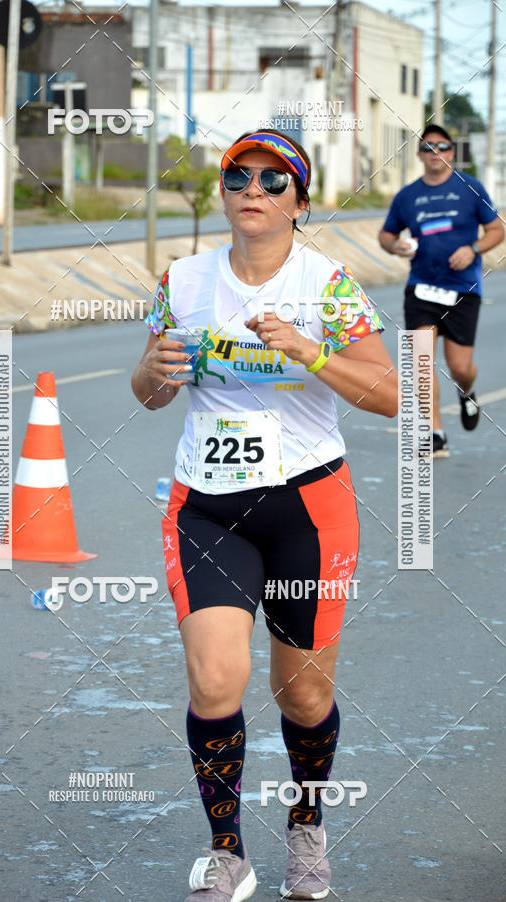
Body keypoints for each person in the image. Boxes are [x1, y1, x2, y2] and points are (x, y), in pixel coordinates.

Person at [132, 128, 399, 901]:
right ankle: (228, 854)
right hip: (206, 507)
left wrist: (310, 353)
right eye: (238, 176)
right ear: (223, 193)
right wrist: (153, 372)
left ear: (299, 202)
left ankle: (307, 823)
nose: (253, 189)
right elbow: (149, 393)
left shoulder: (328, 286)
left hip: (307, 509)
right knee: (216, 679)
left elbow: (394, 397)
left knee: (303, 694)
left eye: (273, 180)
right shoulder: (183, 280)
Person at [378, 123, 504, 458]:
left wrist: (473, 250)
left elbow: (496, 230)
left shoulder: (470, 187)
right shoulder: (407, 196)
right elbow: (386, 235)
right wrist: (395, 246)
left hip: (463, 289)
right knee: (421, 362)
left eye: (443, 146)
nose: (436, 153)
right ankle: (436, 433)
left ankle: (466, 391)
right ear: (420, 155)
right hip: (421, 289)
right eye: (428, 147)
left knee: (460, 367)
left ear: (452, 152)